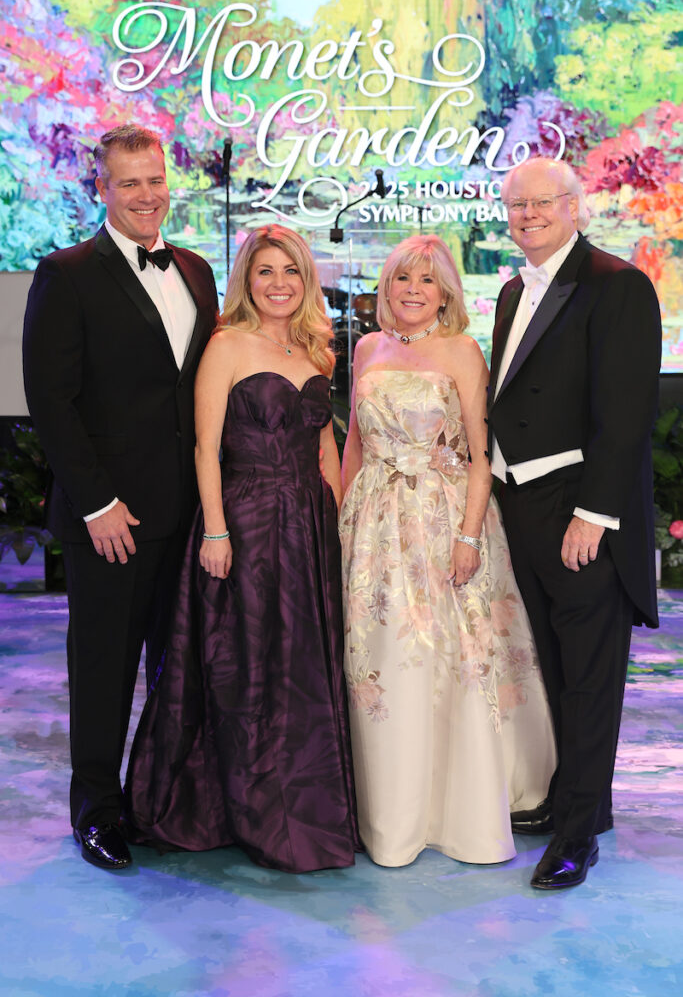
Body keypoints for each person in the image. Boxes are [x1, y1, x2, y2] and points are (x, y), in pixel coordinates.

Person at [124, 225, 361, 873]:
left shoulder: (317, 346)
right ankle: (244, 808)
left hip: (308, 522)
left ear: (305, 279)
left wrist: (335, 520)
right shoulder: (226, 344)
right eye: (265, 272)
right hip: (248, 521)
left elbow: (324, 446)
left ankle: (305, 804)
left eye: (290, 270)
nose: (278, 282)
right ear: (246, 282)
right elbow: (206, 447)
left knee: (302, 667)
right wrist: (217, 530)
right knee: (245, 663)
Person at [22, 124, 218, 870]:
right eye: (128, 182)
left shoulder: (197, 271)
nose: (145, 194)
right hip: (111, 520)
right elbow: (52, 401)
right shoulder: (66, 274)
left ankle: (161, 801)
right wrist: (98, 503)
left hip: (189, 516)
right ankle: (96, 811)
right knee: (104, 670)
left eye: (154, 178)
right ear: (101, 188)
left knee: (179, 671)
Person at [339, 235, 555, 868]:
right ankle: (391, 811)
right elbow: (353, 442)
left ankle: (456, 810)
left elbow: (481, 459)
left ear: (446, 292)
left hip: (442, 519)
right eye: (403, 277)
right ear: (388, 285)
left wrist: (467, 537)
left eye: (427, 281)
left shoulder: (463, 350)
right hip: (374, 524)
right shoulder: (363, 349)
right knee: (381, 665)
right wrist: (341, 525)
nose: (412, 290)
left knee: (446, 660)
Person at [488, 157, 662, 889]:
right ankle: (574, 801)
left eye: (541, 204)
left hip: (577, 507)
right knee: (555, 668)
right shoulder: (506, 291)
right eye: (515, 205)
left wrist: (594, 515)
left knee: (589, 677)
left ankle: (575, 835)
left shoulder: (616, 285)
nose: (527, 215)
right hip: (518, 504)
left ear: (574, 208)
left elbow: (623, 417)